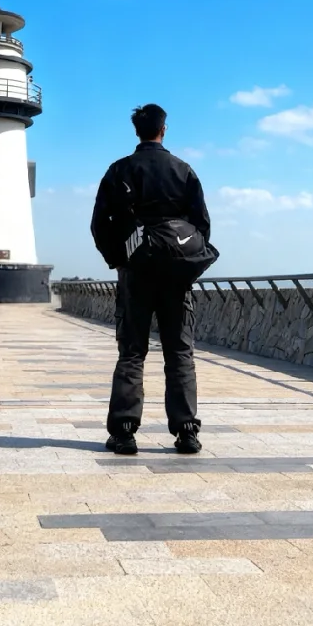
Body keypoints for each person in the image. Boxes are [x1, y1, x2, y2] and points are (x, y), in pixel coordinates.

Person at [90, 104, 215, 456]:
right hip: (177, 275)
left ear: (137, 131)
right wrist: (186, 261)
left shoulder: (120, 170)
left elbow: (101, 224)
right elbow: (202, 224)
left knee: (132, 352)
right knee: (180, 352)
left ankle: (125, 431)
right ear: (164, 129)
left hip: (136, 272)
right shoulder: (183, 170)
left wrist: (119, 260)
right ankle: (187, 430)